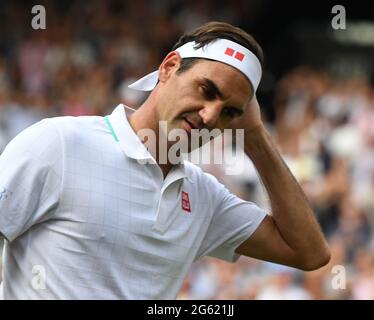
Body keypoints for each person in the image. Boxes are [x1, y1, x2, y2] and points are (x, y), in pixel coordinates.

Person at [0, 21, 330, 299]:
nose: (210, 115)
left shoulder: (205, 197)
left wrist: (256, 136)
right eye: (207, 90)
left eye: (229, 112)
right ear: (169, 67)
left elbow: (309, 253)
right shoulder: (59, 143)